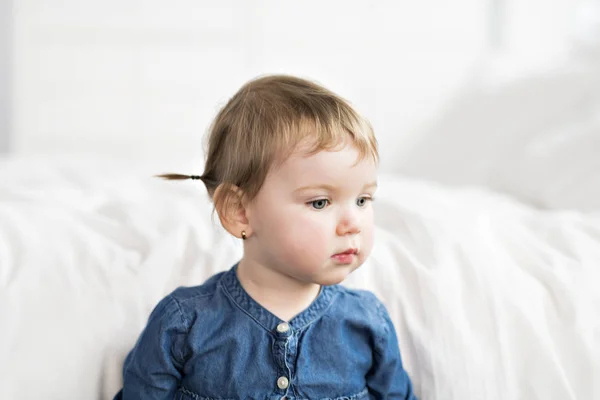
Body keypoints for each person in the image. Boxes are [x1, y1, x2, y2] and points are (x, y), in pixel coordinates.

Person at [114, 75, 417, 399]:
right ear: (240, 212)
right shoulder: (184, 324)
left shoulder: (368, 325)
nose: (353, 223)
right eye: (320, 202)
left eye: (362, 200)